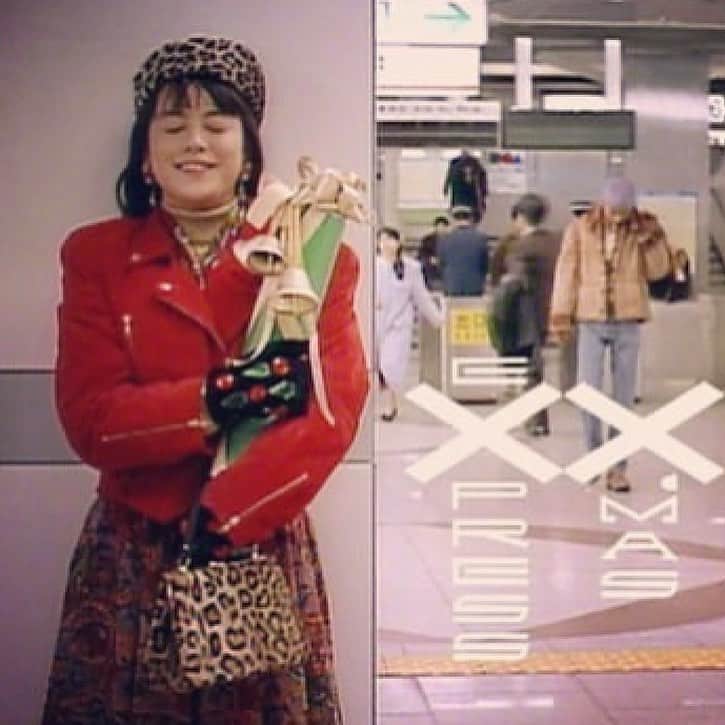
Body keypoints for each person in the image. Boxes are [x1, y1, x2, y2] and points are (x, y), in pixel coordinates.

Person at [43, 35, 368, 723]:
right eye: (172, 125)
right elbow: (90, 416)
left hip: (254, 536)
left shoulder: (311, 255)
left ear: (248, 150)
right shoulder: (95, 257)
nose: (195, 142)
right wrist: (212, 401)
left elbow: (333, 411)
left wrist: (228, 516)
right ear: (145, 154)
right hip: (133, 549)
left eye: (217, 124)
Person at [549, 177, 671, 492]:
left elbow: (658, 271)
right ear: (602, 204)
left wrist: (651, 240)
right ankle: (594, 455)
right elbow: (566, 273)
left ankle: (618, 468)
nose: (618, 217)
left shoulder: (643, 228)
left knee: (623, 398)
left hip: (628, 318)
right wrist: (560, 315)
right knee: (587, 390)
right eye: (613, 210)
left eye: (623, 211)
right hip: (590, 317)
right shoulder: (579, 229)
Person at [500, 193, 560, 435]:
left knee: (532, 369)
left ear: (521, 218)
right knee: (535, 368)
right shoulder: (556, 242)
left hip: (528, 314)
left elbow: (515, 282)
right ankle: (536, 419)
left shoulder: (521, 247)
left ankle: (537, 421)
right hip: (553, 309)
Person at [376, 226, 443, 421]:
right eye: (382, 240)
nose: (386, 244)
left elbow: (421, 296)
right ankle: (390, 403)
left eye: (390, 239)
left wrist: (436, 318)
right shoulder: (373, 266)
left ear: (399, 243)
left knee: (390, 365)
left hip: (399, 325)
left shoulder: (411, 268)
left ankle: (390, 406)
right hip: (377, 323)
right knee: (379, 367)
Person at [437, 205, 489, 296]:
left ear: (453, 219)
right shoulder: (481, 238)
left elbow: (441, 264)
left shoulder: (445, 239)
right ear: (471, 219)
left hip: (452, 288)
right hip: (475, 288)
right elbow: (484, 265)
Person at [443, 149, 488, 223]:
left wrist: (446, 188)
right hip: (464, 197)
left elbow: (482, 179)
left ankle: (466, 218)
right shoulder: (456, 164)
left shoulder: (472, 164)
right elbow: (449, 176)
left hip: (465, 197)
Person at [417, 215, 449, 289]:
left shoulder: (451, 239)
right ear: (435, 227)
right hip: (431, 265)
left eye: (443, 226)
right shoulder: (427, 239)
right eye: (439, 226)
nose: (441, 228)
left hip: (446, 265)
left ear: (447, 227)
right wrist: (430, 259)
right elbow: (422, 253)